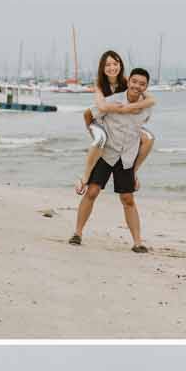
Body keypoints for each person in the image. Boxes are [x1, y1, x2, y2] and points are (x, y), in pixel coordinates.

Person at [69, 68, 155, 252]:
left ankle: (137, 242)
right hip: (107, 154)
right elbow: (88, 114)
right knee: (91, 192)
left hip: (127, 157)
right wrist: (94, 133)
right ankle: (77, 233)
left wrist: (135, 169)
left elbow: (141, 128)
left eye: (142, 84)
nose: (137, 86)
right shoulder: (112, 101)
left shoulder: (146, 108)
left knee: (128, 199)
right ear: (128, 81)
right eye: (134, 82)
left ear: (146, 87)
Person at [75, 50, 155, 192]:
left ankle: (133, 172)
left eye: (115, 63)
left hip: (120, 124)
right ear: (102, 68)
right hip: (98, 122)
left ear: (120, 65)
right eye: (108, 65)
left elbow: (151, 100)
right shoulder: (99, 83)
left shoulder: (127, 81)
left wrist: (131, 107)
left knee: (149, 138)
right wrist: (118, 110)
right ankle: (85, 177)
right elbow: (97, 108)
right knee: (101, 138)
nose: (112, 67)